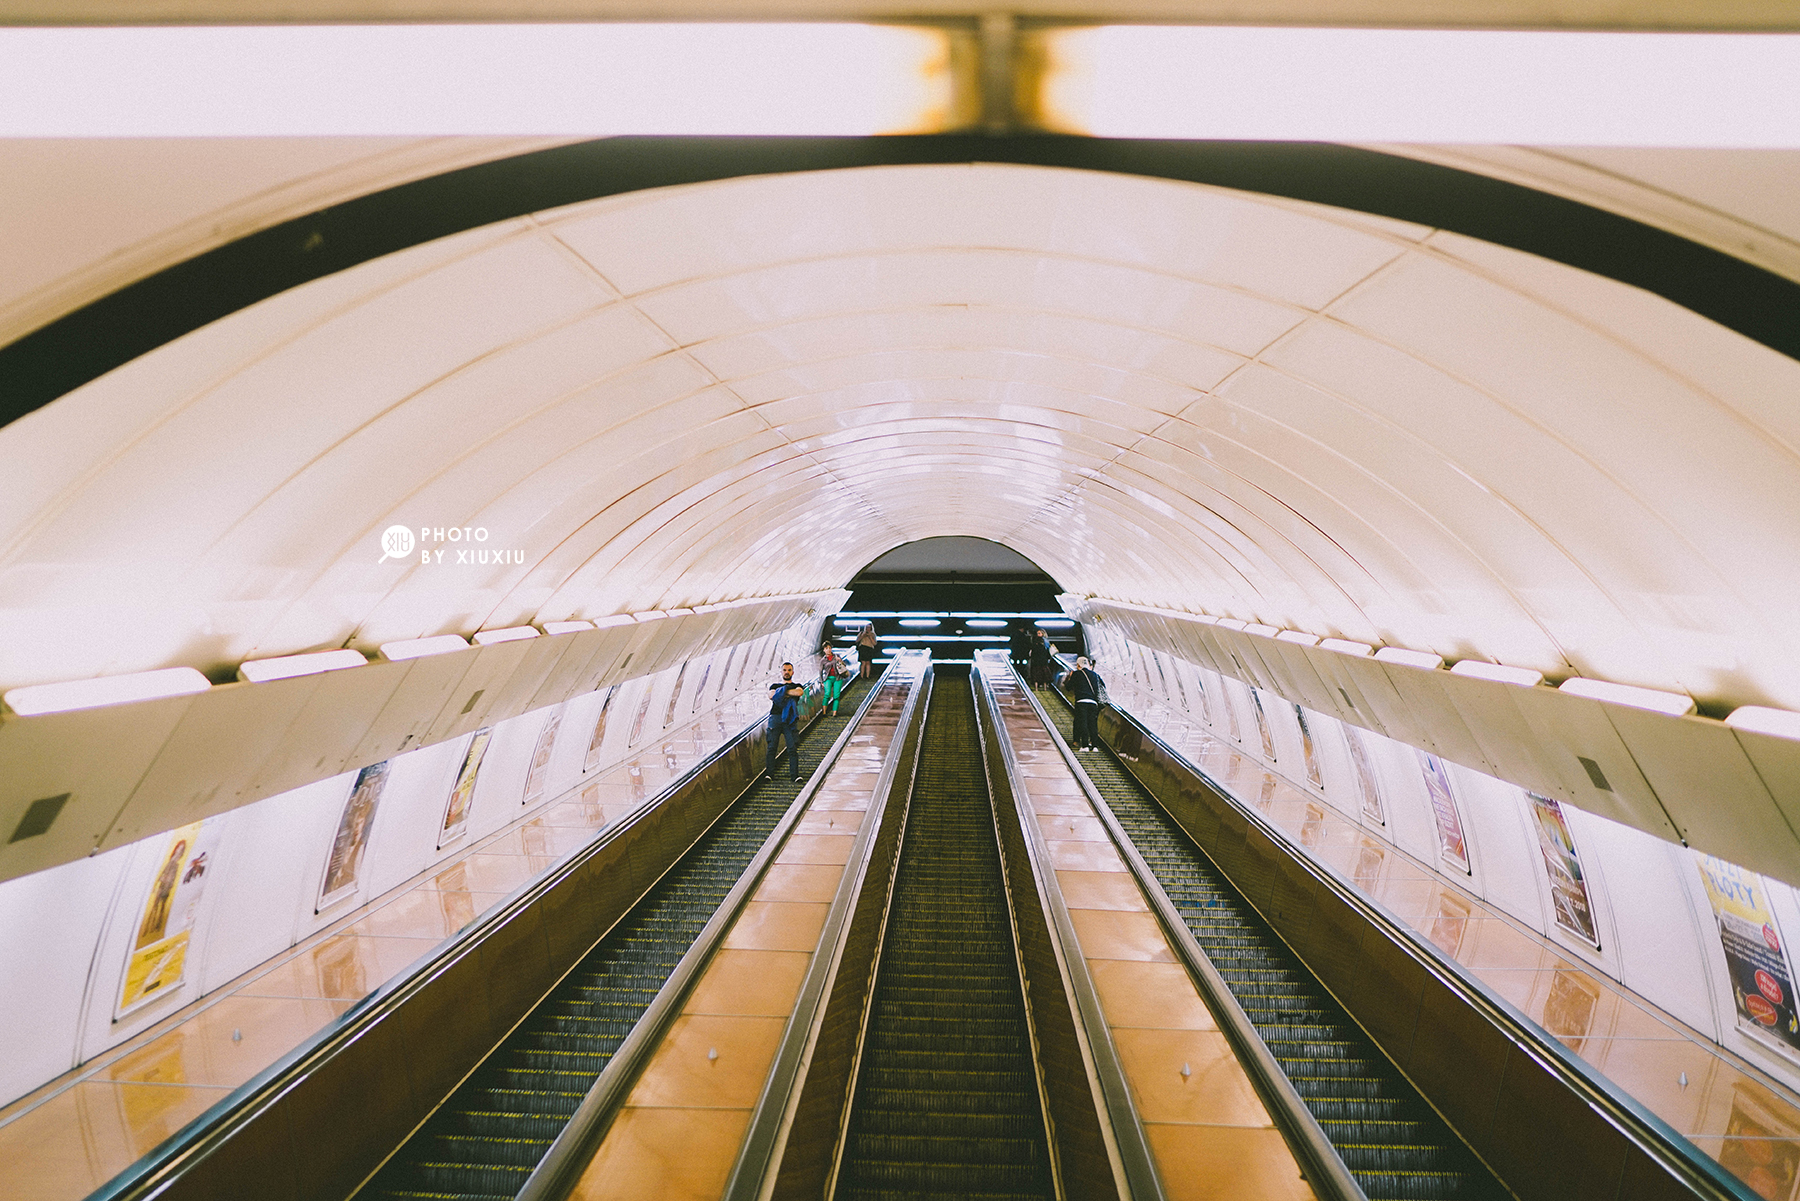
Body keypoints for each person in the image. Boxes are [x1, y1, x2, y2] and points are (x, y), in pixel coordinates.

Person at [767, 661, 807, 782]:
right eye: (784, 670)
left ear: (793, 672)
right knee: (772, 747)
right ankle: (769, 774)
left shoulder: (797, 685)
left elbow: (799, 692)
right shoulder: (774, 685)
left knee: (792, 748)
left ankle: (794, 776)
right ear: (781, 672)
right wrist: (789, 692)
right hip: (775, 718)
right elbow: (771, 695)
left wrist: (781, 693)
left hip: (790, 719)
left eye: (789, 670)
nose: (787, 672)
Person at [1063, 656, 1105, 751]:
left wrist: (1070, 677)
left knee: (1083, 723)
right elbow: (1102, 686)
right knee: (1092, 724)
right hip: (1093, 703)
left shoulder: (1076, 674)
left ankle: (1085, 745)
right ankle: (1094, 746)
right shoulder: (1095, 675)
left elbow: (1068, 687)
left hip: (1081, 702)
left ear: (1078, 665)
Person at [820, 641, 849, 715]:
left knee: (836, 696)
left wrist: (840, 660)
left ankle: (834, 713)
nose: (828, 650)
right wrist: (821, 682)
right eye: (826, 648)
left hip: (837, 678)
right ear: (824, 650)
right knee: (827, 694)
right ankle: (824, 712)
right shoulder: (823, 660)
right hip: (828, 678)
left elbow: (844, 665)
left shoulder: (836, 656)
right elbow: (820, 671)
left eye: (829, 648)